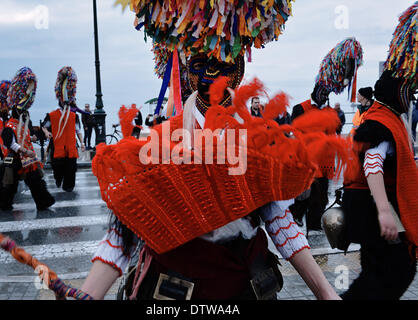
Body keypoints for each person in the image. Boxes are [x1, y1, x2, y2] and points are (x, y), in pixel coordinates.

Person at [83, 0, 343, 301]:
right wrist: (89, 294)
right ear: (187, 67)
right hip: (174, 291)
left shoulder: (256, 143)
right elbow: (124, 233)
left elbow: (278, 220)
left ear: (239, 69)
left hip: (244, 285)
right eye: (203, 64)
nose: (213, 76)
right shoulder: (161, 140)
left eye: (224, 64)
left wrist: (325, 292)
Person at [341, 4, 417, 300]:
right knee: (396, 271)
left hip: (364, 207)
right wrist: (385, 211)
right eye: (409, 92)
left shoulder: (383, 116)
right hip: (371, 209)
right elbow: (373, 162)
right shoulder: (383, 120)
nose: (411, 98)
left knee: (378, 271)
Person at [289, 38, 363, 233]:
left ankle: (314, 228)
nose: (324, 96)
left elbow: (337, 131)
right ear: (315, 91)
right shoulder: (300, 108)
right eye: (321, 93)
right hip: (307, 161)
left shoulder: (331, 111)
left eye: (326, 94)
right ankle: (296, 216)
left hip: (325, 162)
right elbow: (294, 134)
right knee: (304, 196)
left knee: (320, 199)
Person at [0, 67, 55, 211]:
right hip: (16, 160)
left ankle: (43, 201)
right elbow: (10, 143)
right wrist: (23, 150)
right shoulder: (10, 125)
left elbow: (24, 137)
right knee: (10, 184)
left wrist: (33, 139)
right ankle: (3, 204)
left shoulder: (22, 124)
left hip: (28, 160)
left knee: (36, 181)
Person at [42, 66, 85, 193]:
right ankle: (58, 178)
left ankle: (69, 186)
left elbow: (78, 131)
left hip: (71, 147)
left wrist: (82, 143)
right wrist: (47, 132)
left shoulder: (73, 116)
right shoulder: (52, 115)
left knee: (71, 168)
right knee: (57, 168)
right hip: (57, 146)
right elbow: (44, 126)